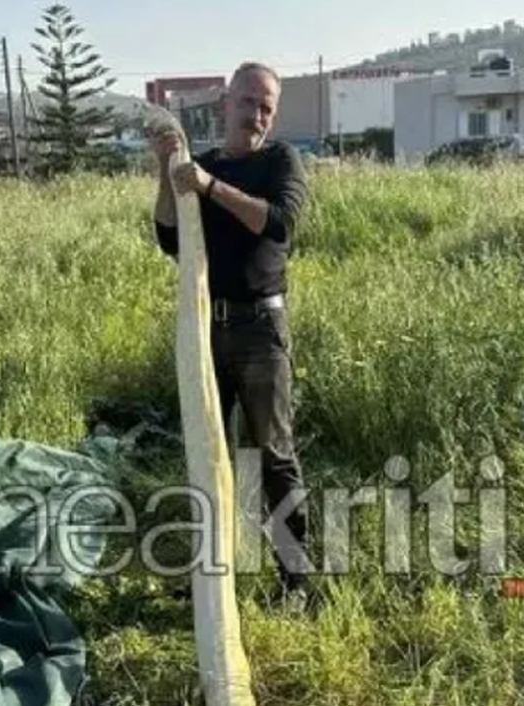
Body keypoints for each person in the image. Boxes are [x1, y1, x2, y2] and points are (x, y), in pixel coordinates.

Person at [150, 61, 313, 606]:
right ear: (226, 103)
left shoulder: (279, 161)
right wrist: (168, 172)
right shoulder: (204, 165)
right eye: (248, 102)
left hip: (261, 330)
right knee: (207, 451)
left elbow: (279, 222)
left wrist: (210, 186)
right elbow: (170, 239)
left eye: (267, 107)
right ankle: (211, 577)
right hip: (206, 329)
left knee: (274, 455)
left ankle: (295, 582)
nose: (257, 115)